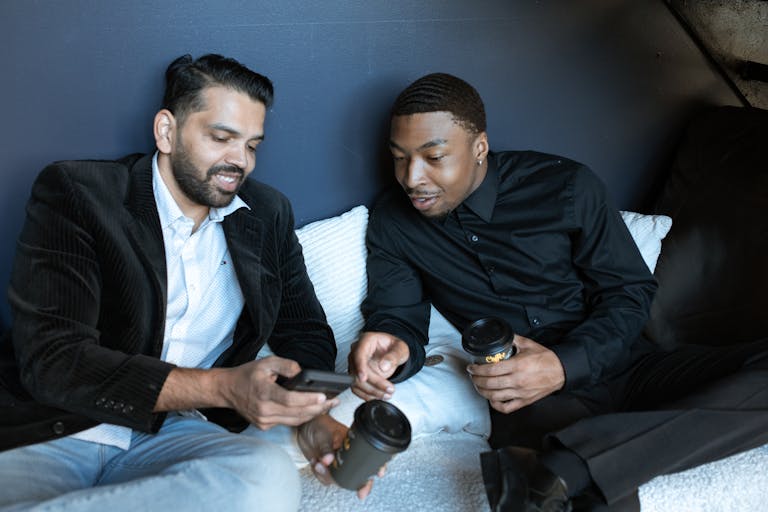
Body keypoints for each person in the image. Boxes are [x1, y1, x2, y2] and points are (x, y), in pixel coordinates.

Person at [349, 72, 768, 511]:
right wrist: (391, 344)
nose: (412, 177)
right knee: (587, 502)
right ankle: (580, 464)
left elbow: (629, 291)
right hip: (527, 396)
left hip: (627, 364)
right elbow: (398, 317)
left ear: (479, 148)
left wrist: (566, 364)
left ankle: (572, 462)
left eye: (433, 157)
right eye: (399, 158)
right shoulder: (393, 224)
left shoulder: (566, 185)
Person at [0, 53, 353, 512]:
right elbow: (55, 361)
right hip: (54, 425)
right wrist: (223, 387)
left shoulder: (267, 215)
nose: (239, 162)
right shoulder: (78, 193)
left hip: (174, 433)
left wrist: (310, 416)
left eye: (251, 145)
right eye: (221, 138)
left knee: (267, 480)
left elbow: (304, 331)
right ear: (167, 131)